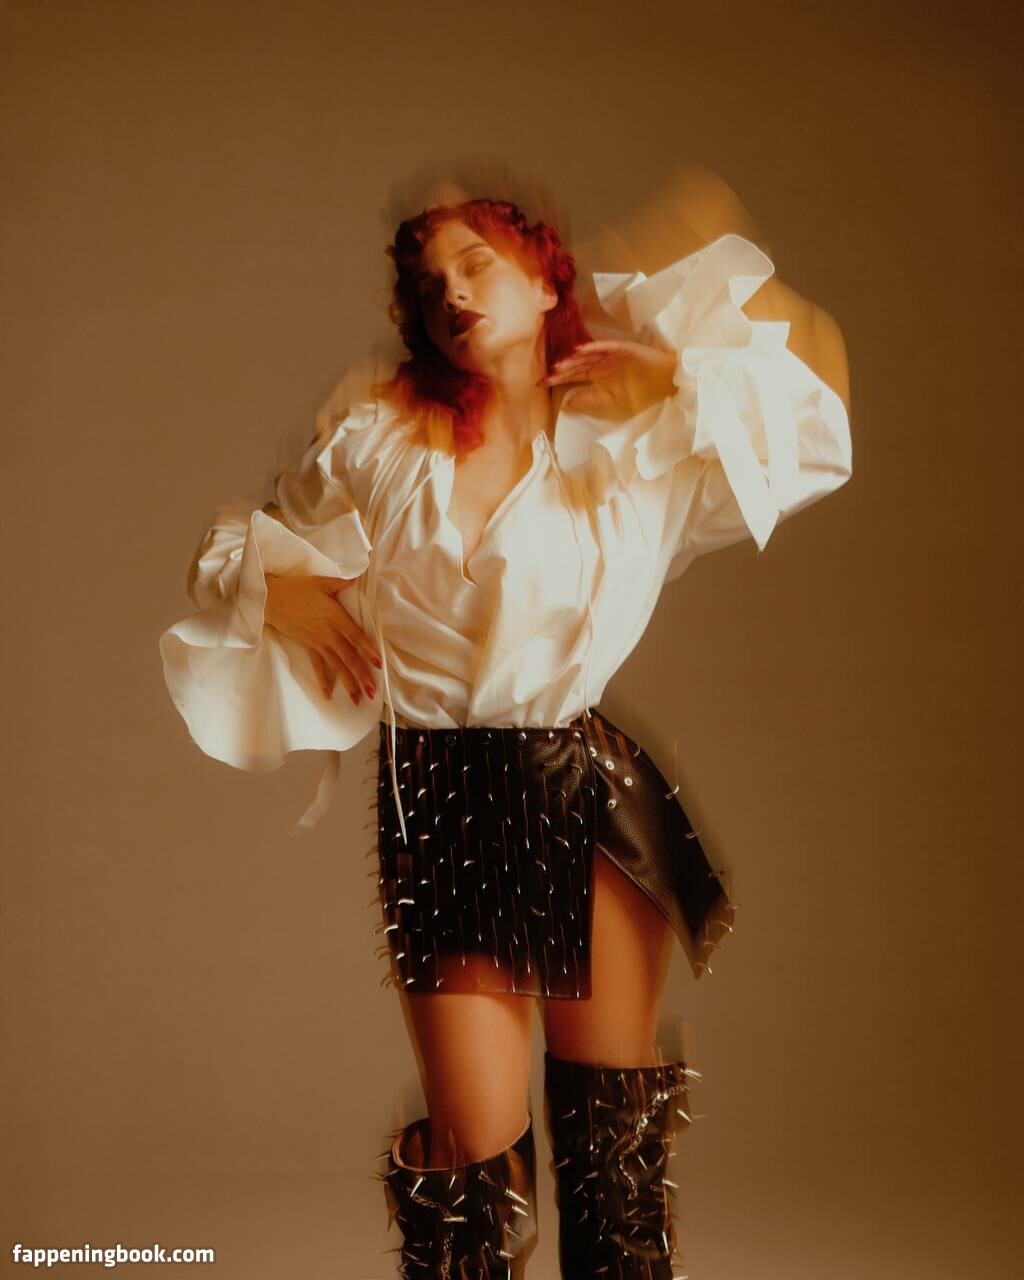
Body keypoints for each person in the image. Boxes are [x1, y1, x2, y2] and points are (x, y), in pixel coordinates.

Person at [159, 194, 852, 1278]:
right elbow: (231, 547)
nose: (452, 292)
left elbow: (811, 434)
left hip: (590, 792)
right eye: (429, 283)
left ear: (543, 279)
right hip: (440, 797)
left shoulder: (627, 434)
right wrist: (278, 591)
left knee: (613, 1162)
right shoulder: (378, 436)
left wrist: (677, 379)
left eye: (475, 264)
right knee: (468, 1179)